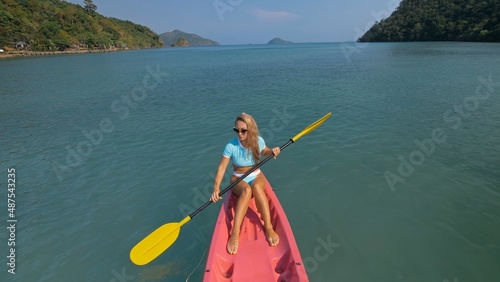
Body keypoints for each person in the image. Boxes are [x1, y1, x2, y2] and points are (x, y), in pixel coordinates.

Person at [210, 113, 281, 255]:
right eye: (237, 130)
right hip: (238, 177)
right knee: (247, 191)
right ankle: (235, 233)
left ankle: (268, 227)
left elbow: (265, 151)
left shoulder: (258, 140)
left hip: (256, 174)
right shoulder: (231, 145)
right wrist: (216, 188)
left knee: (255, 187)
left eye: (243, 130)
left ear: (251, 130)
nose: (240, 133)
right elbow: (222, 168)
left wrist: (273, 151)